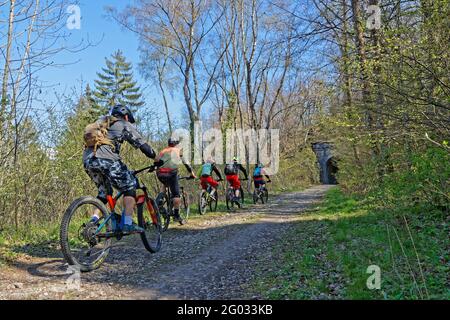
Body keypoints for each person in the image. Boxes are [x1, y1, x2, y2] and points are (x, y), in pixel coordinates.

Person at [83, 104, 156, 233]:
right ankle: (127, 223)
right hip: (107, 160)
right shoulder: (123, 124)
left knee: (104, 193)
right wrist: (156, 157)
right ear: (126, 116)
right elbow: (143, 146)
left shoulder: (101, 122)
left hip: (88, 161)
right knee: (130, 187)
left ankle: (93, 222)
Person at [154, 138, 196, 224]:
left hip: (160, 174)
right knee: (176, 194)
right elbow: (186, 163)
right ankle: (176, 215)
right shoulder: (178, 150)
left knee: (165, 184)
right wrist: (192, 174)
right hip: (171, 173)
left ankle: (161, 199)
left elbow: (156, 161)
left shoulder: (163, 151)